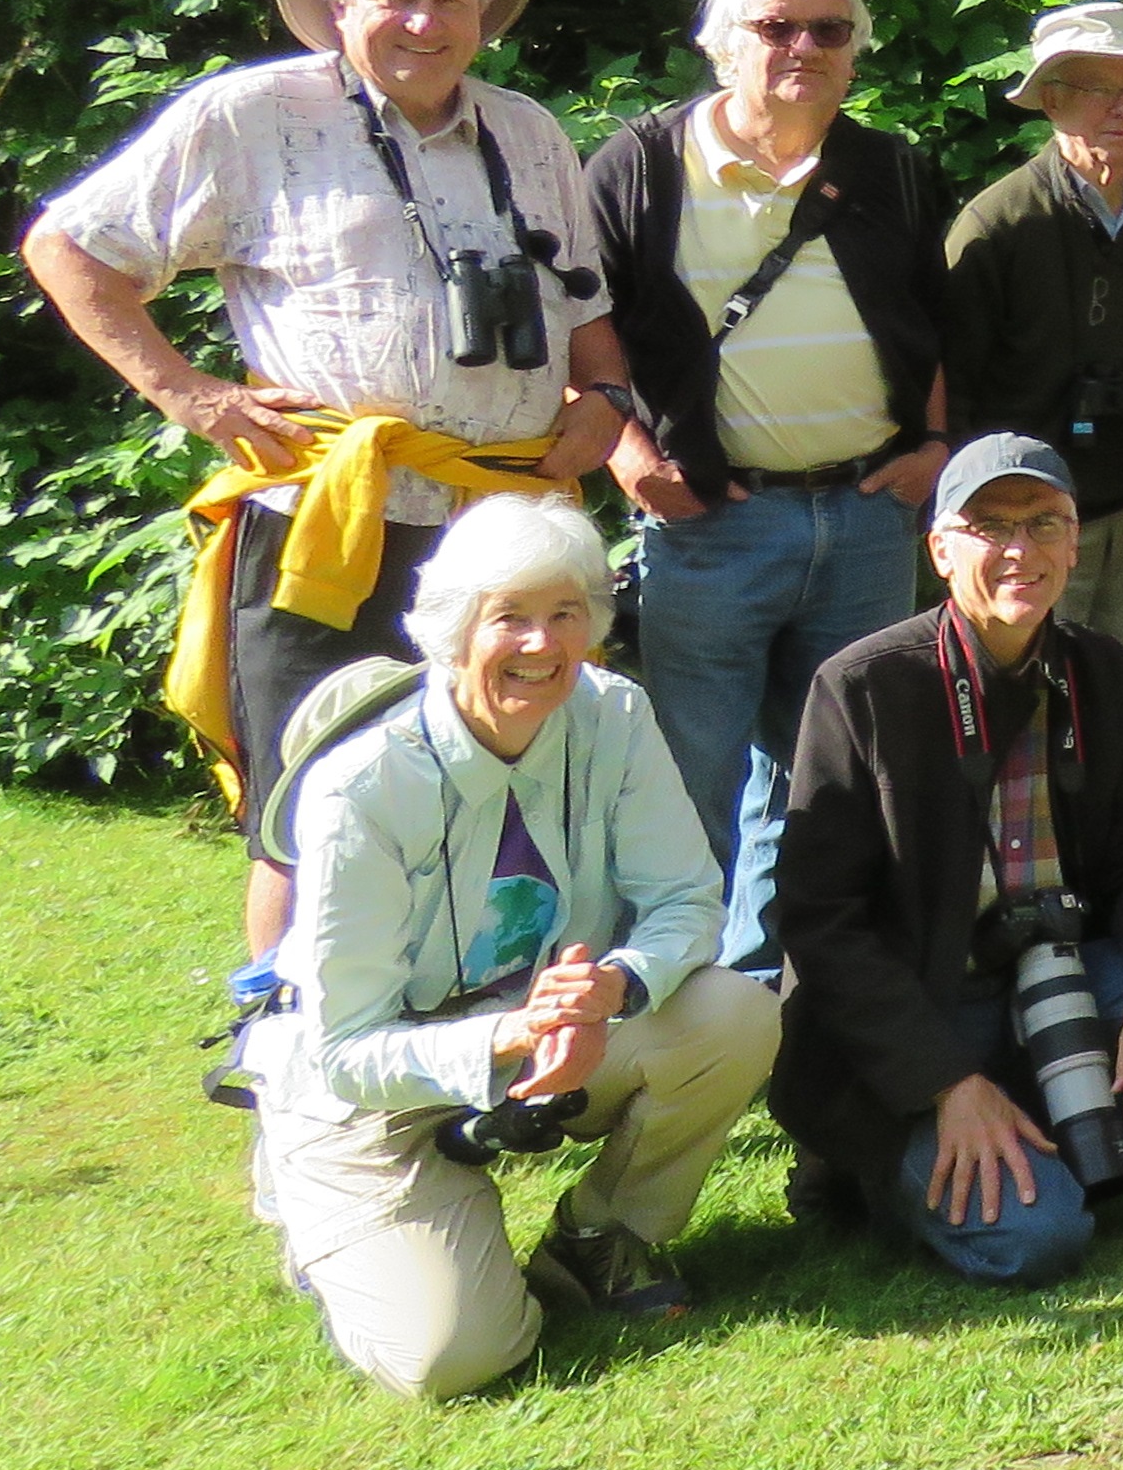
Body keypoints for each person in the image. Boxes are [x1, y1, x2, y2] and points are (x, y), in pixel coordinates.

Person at [28, 0, 627, 957]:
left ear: (482, 19)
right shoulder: (252, 117)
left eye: (450, 3)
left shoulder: (531, 133)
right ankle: (280, 1050)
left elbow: (582, 304)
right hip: (326, 521)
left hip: (497, 525)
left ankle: (465, 1036)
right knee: (312, 791)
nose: (423, 24)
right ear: (338, 7)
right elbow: (71, 247)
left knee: (499, 783)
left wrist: (612, 402)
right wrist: (192, 394)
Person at [237, 495, 777, 1398]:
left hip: (543, 1027)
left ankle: (599, 1240)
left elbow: (687, 900)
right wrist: (508, 1041)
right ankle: (318, 1209)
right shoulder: (362, 786)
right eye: (511, 618)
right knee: (454, 1359)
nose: (542, 644)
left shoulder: (614, 714)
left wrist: (614, 985)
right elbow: (344, 1050)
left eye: (566, 613)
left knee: (736, 1012)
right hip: (363, 1077)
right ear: (452, 633)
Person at [768, 436, 1123, 1288]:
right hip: (916, 1016)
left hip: (1047, 979)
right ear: (941, 550)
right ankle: (882, 1155)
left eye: (1045, 524)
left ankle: (1030, 1123)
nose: (1020, 551)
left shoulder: (1095, 667)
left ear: (1073, 541)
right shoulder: (864, 687)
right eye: (990, 527)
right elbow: (819, 923)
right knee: (1040, 1240)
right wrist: (947, 1083)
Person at [586, 0, 955, 972]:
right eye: (775, 27)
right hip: (710, 523)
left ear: (854, 53)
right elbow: (583, 322)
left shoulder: (889, 169)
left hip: (869, 518)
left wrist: (932, 447)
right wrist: (624, 451)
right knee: (685, 784)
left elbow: (929, 322)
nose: (804, 46)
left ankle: (773, 1002)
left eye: (828, 30)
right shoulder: (643, 166)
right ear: (721, 46)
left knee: (828, 786)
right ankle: (661, 1007)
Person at [943, 1, 1123, 773]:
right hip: (1026, 503)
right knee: (1024, 683)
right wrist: (992, 507)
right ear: (1052, 99)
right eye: (1100, 88)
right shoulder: (997, 224)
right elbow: (955, 382)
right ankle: (1022, 872)